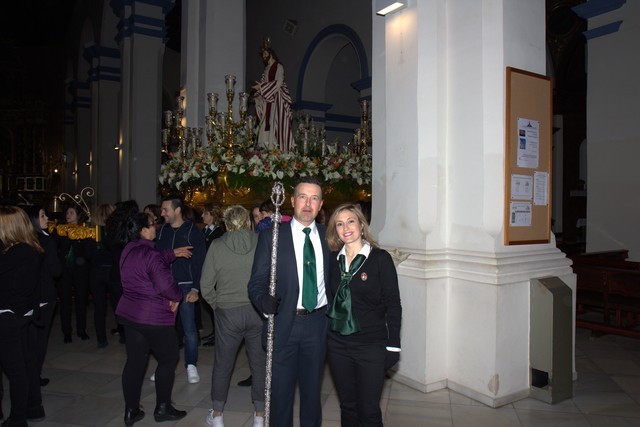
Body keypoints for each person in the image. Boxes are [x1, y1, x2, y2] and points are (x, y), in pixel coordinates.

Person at [248, 176, 331, 427]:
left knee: (311, 396)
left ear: (320, 204)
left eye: (314, 198)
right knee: (280, 396)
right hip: (284, 324)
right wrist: (263, 301)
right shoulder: (273, 237)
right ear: (292, 201)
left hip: (318, 324)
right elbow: (256, 283)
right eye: (303, 197)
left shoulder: (331, 239)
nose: (308, 204)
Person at [325, 204, 402, 426]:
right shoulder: (333, 260)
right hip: (338, 344)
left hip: (370, 344)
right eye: (339, 224)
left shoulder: (380, 259)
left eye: (350, 221)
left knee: (368, 411)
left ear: (361, 224)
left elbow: (393, 304)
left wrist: (393, 345)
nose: (345, 227)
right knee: (348, 406)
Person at [115, 211, 190, 426]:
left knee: (135, 362)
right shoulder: (152, 256)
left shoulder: (128, 250)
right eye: (151, 224)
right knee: (168, 359)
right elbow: (167, 287)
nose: (155, 226)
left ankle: (131, 411)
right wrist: (177, 296)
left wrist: (172, 253)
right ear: (142, 230)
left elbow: (149, 260)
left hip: (130, 315)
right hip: (154, 318)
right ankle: (163, 408)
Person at [201, 205, 265, 427]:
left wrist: (217, 304)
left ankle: (217, 416)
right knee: (259, 363)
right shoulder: (260, 242)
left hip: (227, 312)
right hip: (257, 311)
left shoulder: (217, 246)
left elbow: (205, 284)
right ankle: (259, 415)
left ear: (226, 223)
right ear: (248, 221)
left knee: (223, 364)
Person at [0, 205, 44, 427]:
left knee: (16, 371)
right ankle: (33, 408)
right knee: (25, 365)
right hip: (20, 314)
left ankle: (17, 419)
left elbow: (14, 288)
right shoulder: (26, 248)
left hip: (9, 316)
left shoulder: (17, 252)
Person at [156, 196, 206, 384]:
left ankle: (191, 364)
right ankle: (164, 365)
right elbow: (155, 258)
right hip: (165, 286)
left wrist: (196, 288)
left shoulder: (193, 231)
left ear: (177, 210)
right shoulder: (162, 232)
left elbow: (200, 261)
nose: (162, 213)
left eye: (165, 209)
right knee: (163, 328)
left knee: (189, 329)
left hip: (185, 285)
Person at [23, 205, 62, 389]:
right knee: (39, 340)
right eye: (42, 215)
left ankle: (28, 375)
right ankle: (33, 377)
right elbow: (56, 271)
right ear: (33, 220)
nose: (47, 218)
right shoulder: (47, 241)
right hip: (44, 296)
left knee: (28, 340)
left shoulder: (21, 240)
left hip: (27, 297)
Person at [252, 37, 294, 152]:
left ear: (271, 53)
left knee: (275, 123)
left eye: (266, 54)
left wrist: (262, 87)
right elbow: (263, 84)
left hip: (276, 99)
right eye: (263, 55)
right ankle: (267, 149)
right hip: (267, 100)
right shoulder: (266, 70)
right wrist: (258, 93)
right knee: (265, 124)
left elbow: (279, 82)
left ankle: (276, 148)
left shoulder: (279, 66)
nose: (264, 56)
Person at [56, 205, 92, 343]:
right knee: (65, 302)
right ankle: (67, 332)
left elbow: (88, 252)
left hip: (80, 271)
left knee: (81, 301)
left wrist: (79, 238)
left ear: (78, 215)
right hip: (64, 271)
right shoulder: (60, 230)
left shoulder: (85, 230)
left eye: (71, 212)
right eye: (67, 212)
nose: (68, 214)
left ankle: (81, 330)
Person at [87, 203, 116, 348]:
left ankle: (101, 339)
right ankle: (123, 335)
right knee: (118, 305)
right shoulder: (113, 232)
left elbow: (88, 255)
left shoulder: (91, 233)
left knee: (99, 308)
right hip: (111, 271)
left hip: (96, 272)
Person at [200, 204, 225, 347]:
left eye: (205, 213)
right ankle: (214, 331)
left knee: (215, 304)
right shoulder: (204, 230)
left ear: (212, 215)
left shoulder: (219, 233)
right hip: (207, 269)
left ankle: (218, 334)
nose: (202, 216)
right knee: (209, 305)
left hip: (215, 272)